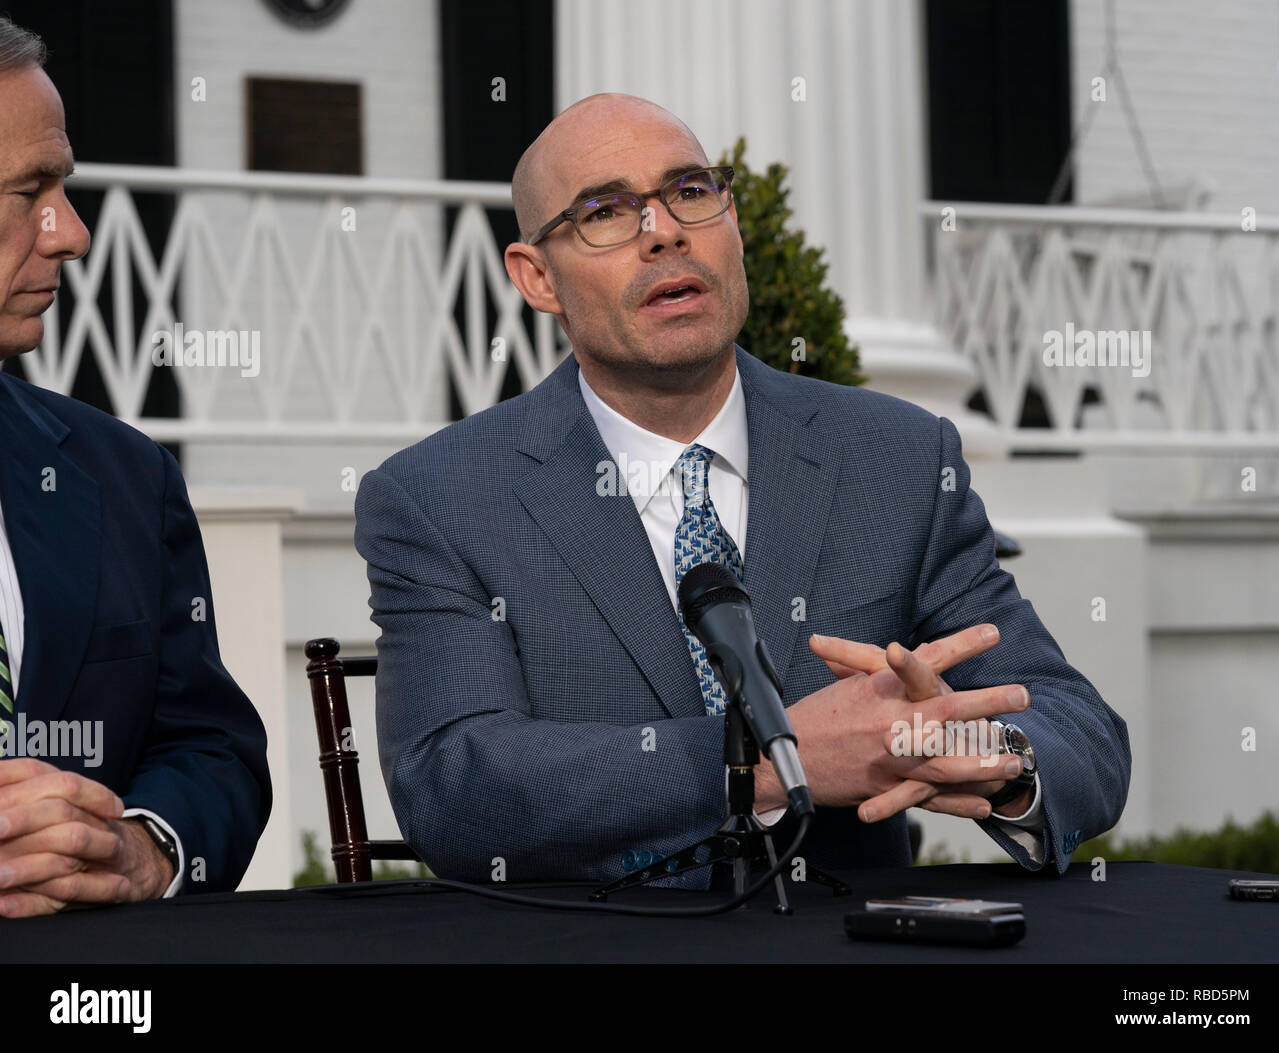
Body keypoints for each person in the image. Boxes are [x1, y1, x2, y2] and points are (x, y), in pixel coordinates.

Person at [355, 92, 1130, 885]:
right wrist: (762, 764)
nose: (664, 233)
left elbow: (1084, 736)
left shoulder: (895, 459)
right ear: (537, 277)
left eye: (690, 192)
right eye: (606, 212)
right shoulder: (442, 498)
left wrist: (972, 749)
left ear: (733, 225)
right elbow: (454, 790)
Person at [0, 17, 271, 917]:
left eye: (64, 188)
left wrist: (142, 848)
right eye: (29, 191)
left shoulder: (124, 474)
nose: (71, 234)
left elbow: (213, 748)